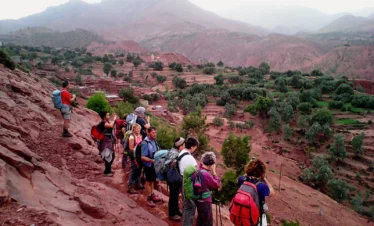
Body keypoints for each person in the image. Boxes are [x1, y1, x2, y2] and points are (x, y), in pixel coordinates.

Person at [237, 159, 275, 224]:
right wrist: (264, 179)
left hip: (240, 217)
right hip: (253, 220)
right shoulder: (261, 186)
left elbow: (239, 179)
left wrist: (247, 172)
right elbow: (272, 193)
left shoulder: (241, 180)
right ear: (262, 173)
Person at [194, 152, 221, 226]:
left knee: (200, 218)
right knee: (207, 222)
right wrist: (214, 172)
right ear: (212, 164)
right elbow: (217, 185)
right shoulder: (206, 175)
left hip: (197, 199)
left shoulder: (198, 170)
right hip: (205, 201)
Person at [178, 137, 199, 226]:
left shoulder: (181, 153)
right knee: (190, 207)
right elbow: (196, 172)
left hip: (183, 181)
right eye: (195, 147)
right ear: (192, 146)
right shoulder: (190, 158)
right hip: (189, 184)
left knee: (186, 206)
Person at [166, 137, 185, 221]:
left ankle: (176, 210)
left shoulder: (174, 151)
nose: (185, 146)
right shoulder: (175, 153)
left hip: (173, 178)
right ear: (180, 146)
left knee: (176, 195)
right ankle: (172, 214)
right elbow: (172, 165)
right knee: (173, 196)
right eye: (184, 144)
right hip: (173, 178)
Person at [140, 127, 161, 207]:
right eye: (153, 132)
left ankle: (152, 194)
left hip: (154, 165)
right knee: (148, 181)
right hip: (148, 165)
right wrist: (152, 160)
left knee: (152, 181)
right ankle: (149, 199)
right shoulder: (145, 143)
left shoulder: (154, 141)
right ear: (148, 133)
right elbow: (142, 157)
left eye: (155, 132)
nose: (155, 134)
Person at [97, 111, 117, 177]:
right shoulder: (103, 123)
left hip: (109, 141)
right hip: (105, 142)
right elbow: (111, 126)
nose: (109, 116)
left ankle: (108, 170)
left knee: (112, 156)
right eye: (108, 115)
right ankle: (106, 172)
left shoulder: (106, 122)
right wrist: (114, 119)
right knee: (108, 156)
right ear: (104, 117)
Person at [127, 123, 144, 194]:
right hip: (134, 156)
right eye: (137, 129)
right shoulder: (131, 137)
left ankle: (137, 183)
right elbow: (131, 149)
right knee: (134, 170)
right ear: (133, 129)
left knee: (139, 170)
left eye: (139, 129)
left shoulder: (140, 136)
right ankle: (130, 186)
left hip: (139, 155)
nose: (139, 130)